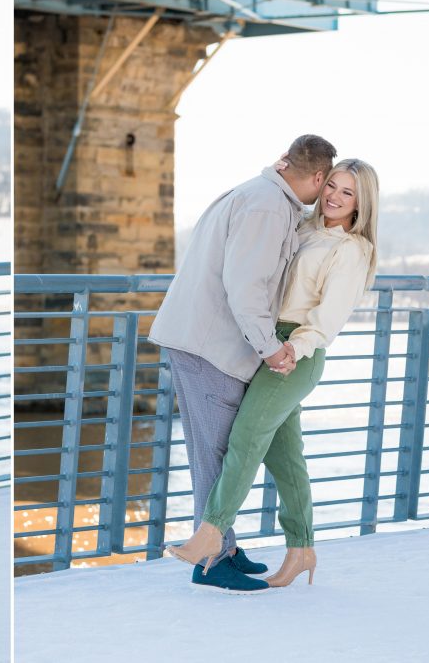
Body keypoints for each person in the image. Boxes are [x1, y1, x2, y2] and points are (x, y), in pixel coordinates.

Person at [169, 158, 379, 589]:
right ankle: (301, 549)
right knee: (285, 459)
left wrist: (289, 351)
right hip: (268, 344)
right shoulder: (303, 227)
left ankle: (210, 533)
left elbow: (327, 321)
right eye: (332, 186)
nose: (334, 197)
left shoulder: (351, 250)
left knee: (245, 437)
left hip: (295, 352)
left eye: (347, 192)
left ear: (362, 203)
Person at [148, 134, 337, 593]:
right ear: (316, 176)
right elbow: (246, 286)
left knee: (220, 447)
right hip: (212, 345)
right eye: (327, 184)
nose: (325, 195)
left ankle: (225, 547)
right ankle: (213, 561)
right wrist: (270, 347)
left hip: (202, 339)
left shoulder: (259, 193)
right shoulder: (269, 208)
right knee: (215, 451)